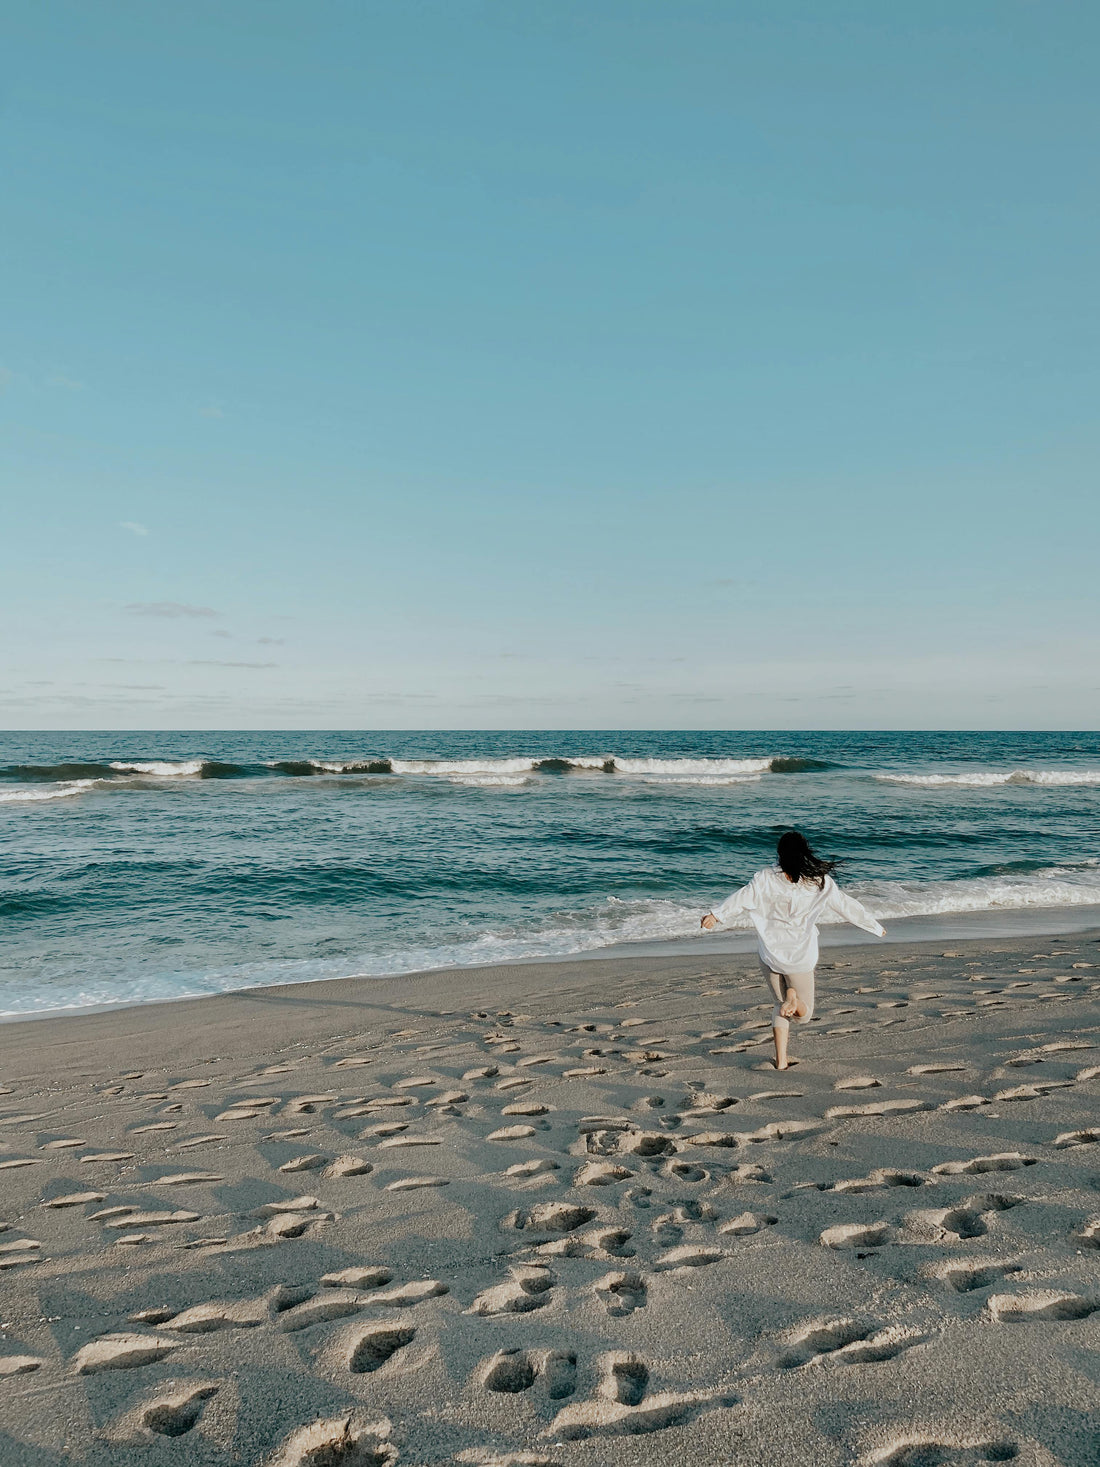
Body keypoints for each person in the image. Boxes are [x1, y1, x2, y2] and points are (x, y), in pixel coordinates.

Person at [700, 831, 886, 1070]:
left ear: (779, 854)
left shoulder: (765, 878)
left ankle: (781, 1061)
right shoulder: (819, 882)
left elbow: (741, 898)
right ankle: (794, 999)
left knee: (779, 1006)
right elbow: (845, 906)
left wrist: (716, 915)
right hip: (800, 957)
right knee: (803, 1015)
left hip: (771, 954)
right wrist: (874, 926)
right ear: (805, 852)